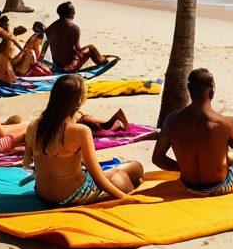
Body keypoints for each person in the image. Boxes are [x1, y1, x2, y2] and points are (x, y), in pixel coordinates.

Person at [22, 74, 143, 206]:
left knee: (121, 171)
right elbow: (98, 177)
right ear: (78, 101)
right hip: (70, 196)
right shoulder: (81, 131)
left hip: (42, 194)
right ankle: (129, 187)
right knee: (132, 169)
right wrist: (125, 198)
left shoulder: (33, 126)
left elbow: (26, 162)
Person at [43, 1, 110, 72]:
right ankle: (102, 61)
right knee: (90, 48)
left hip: (57, 65)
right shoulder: (73, 28)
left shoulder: (50, 28)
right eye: (73, 10)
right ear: (71, 13)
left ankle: (100, 57)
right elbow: (77, 49)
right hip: (69, 66)